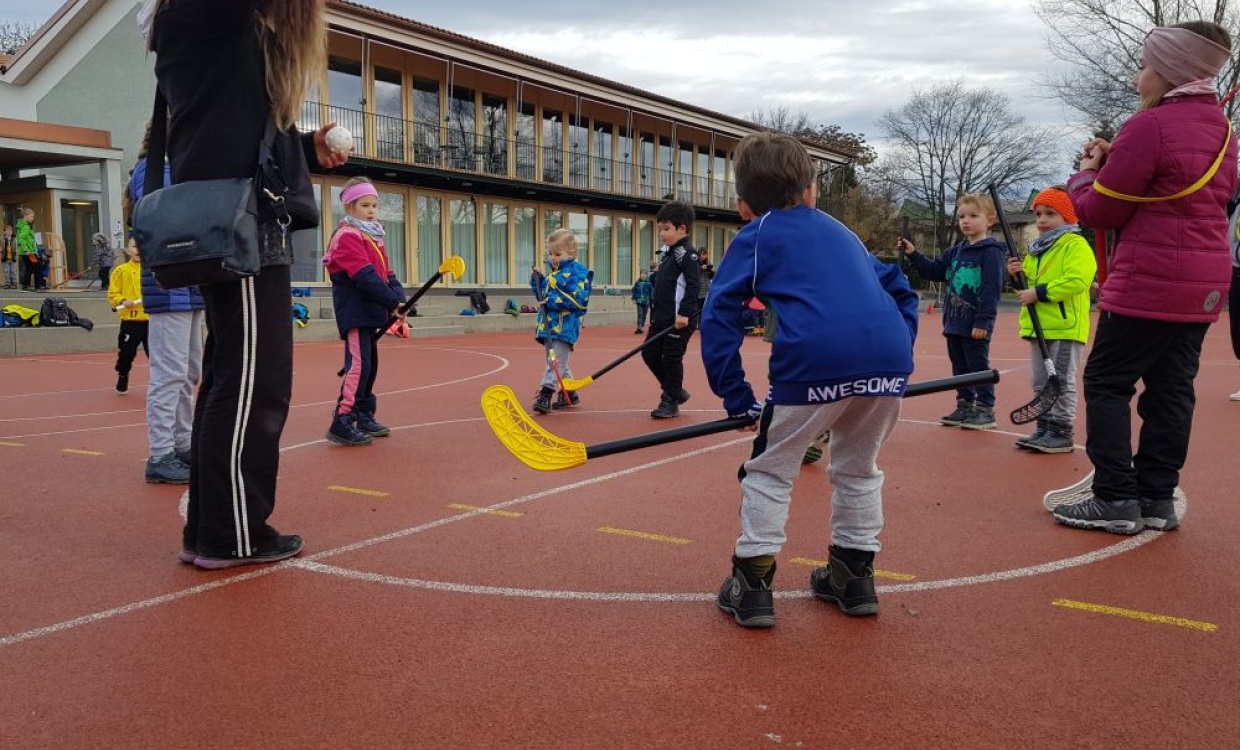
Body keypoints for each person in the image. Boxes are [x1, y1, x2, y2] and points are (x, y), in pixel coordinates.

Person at [146, 0, 348, 568]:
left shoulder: (204, 31)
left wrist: (303, 147)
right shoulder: (210, 17)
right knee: (254, 383)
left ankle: (213, 529)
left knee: (231, 377)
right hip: (242, 227)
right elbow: (225, 133)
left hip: (233, 219)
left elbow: (228, 126)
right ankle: (233, 533)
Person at [703, 131, 918, 628]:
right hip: (887, 361)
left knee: (770, 469)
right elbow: (899, 287)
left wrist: (735, 395)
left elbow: (719, 315)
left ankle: (752, 585)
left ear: (742, 201)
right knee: (859, 468)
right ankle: (854, 577)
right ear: (810, 189)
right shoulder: (844, 233)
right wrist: (896, 348)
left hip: (813, 362)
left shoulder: (756, 235)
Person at [1053, 21, 1237, 535]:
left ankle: (1114, 496)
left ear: (1169, 70)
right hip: (1204, 280)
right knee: (1172, 388)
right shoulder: (1224, 130)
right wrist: (1119, 158)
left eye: (1143, 66)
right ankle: (1157, 497)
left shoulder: (1149, 125)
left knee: (1106, 382)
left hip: (1150, 278)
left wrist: (1085, 173)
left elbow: (1100, 211)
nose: (1139, 77)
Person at [896, 194, 1005, 429]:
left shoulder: (991, 252)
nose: (965, 220)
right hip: (954, 321)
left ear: (990, 220)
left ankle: (985, 409)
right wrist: (913, 253)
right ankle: (964, 404)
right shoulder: (955, 252)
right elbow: (933, 271)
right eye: (962, 216)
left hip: (975, 323)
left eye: (973, 216)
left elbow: (991, 289)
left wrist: (983, 321)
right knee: (959, 366)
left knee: (978, 366)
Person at [128, 151, 204, 485]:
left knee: (189, 372)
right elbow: (163, 216)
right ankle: (160, 454)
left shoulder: (180, 166)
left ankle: (182, 444)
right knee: (169, 374)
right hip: (170, 284)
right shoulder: (153, 168)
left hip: (191, 286)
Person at [1004, 186, 1097, 453]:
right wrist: (1016, 276)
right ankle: (1044, 427)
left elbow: (1077, 280)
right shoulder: (1036, 251)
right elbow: (1027, 287)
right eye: (1038, 214)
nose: (1042, 220)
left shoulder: (1075, 245)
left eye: (1050, 214)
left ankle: (1060, 430)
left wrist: (1040, 293)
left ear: (1067, 216)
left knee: (1061, 381)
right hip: (1039, 327)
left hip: (1064, 328)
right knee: (1040, 381)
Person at [323, 176, 407, 446]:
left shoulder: (374, 236)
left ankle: (363, 413)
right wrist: (391, 302)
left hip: (372, 312)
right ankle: (342, 418)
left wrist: (400, 300)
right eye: (365, 205)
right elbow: (365, 276)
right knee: (358, 367)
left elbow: (387, 273)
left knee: (370, 367)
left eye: (374, 205)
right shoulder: (347, 236)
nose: (371, 211)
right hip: (356, 312)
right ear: (349, 207)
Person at [641, 201, 701, 418]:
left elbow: (693, 286)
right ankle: (675, 390)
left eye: (666, 229)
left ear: (682, 229)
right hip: (661, 318)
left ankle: (670, 400)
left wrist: (684, 313)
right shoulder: (668, 254)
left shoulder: (687, 255)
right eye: (660, 229)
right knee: (649, 353)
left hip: (679, 320)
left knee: (671, 359)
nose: (661, 234)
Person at [532, 228, 593, 414]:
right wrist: (537, 280)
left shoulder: (578, 273)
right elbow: (542, 296)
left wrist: (550, 300)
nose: (553, 257)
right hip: (550, 326)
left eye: (558, 254)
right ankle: (570, 393)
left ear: (571, 253)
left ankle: (546, 392)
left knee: (555, 362)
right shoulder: (553, 274)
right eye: (551, 253)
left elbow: (579, 300)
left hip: (565, 327)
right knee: (557, 362)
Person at [107, 238, 149, 395]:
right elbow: (113, 293)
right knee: (127, 353)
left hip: (151, 321)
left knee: (157, 355)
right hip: (131, 322)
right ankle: (123, 375)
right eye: (135, 246)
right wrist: (123, 300)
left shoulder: (152, 270)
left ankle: (160, 383)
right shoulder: (120, 271)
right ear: (128, 250)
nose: (138, 250)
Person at [16, 208, 43, 291]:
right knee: (37, 267)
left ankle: (26, 285)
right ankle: (37, 285)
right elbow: (21, 238)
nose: (33, 218)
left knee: (30, 268)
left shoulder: (23, 225)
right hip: (28, 251)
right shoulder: (26, 227)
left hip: (27, 251)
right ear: (25, 216)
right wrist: (26, 250)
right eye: (31, 216)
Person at [630, 268, 652, 334]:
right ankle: (639, 327)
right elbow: (634, 291)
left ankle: (641, 325)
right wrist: (633, 298)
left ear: (646, 275)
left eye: (644, 274)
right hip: (639, 301)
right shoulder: (637, 283)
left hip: (646, 302)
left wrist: (652, 301)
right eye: (642, 274)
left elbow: (652, 293)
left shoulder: (649, 283)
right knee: (640, 314)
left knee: (644, 315)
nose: (643, 275)